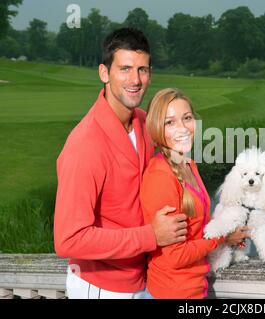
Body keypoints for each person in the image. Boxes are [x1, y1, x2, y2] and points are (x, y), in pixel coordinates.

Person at [53, 28, 188, 299]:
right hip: (100, 287)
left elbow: (176, 176)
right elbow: (68, 239)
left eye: (143, 70)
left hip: (142, 281)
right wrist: (151, 236)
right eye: (125, 69)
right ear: (104, 73)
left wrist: (220, 231)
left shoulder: (143, 122)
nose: (135, 80)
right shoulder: (85, 144)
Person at [140, 88, 248, 299]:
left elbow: (197, 229)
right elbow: (175, 256)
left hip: (195, 288)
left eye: (187, 118)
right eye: (169, 122)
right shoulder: (160, 177)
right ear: (155, 128)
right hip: (171, 292)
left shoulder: (188, 164)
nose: (182, 128)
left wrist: (228, 227)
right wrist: (222, 237)